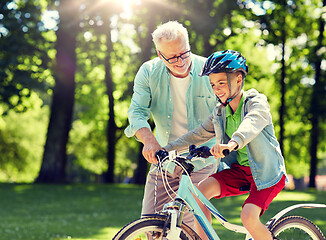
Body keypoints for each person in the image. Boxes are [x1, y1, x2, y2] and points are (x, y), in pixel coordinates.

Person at [163, 50, 287, 240]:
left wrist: (232, 143)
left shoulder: (256, 102)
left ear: (238, 79)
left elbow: (251, 124)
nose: (216, 89)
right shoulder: (220, 112)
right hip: (241, 171)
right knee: (198, 194)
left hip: (266, 173)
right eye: (213, 84)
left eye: (221, 83)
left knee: (248, 217)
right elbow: (198, 134)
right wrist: (166, 149)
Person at [124, 21, 219, 229]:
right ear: (160, 54)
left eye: (184, 53)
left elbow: (227, 112)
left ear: (188, 45)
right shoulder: (149, 72)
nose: (180, 61)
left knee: (187, 225)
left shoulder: (210, 72)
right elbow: (137, 112)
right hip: (165, 157)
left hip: (201, 159)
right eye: (172, 57)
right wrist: (149, 141)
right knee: (149, 225)